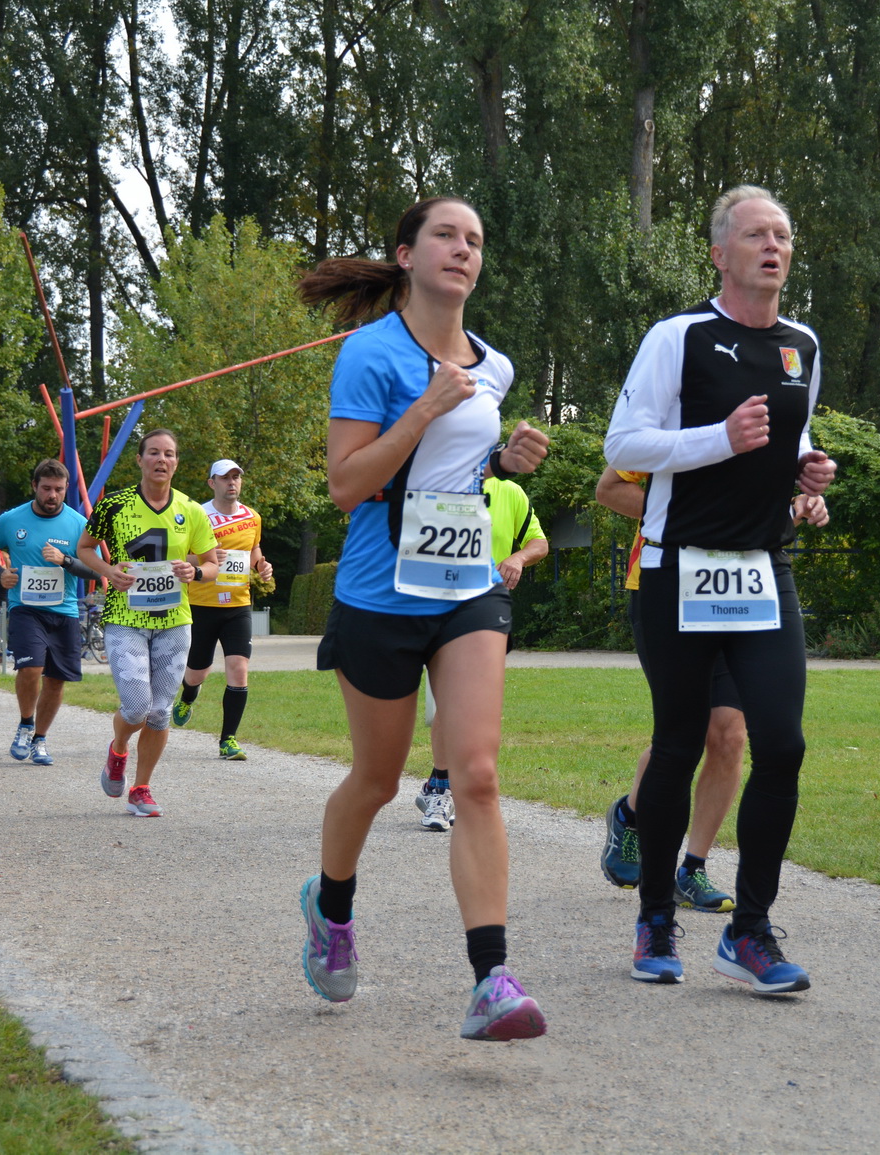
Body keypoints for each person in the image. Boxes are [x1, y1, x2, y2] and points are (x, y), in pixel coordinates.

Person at [296, 195, 551, 1040]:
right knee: (376, 780)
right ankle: (331, 907)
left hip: (468, 586)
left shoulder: (495, 364)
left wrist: (503, 459)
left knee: (475, 773)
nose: (463, 248)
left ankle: (492, 979)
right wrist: (426, 407)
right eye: (446, 234)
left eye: (475, 239)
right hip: (381, 592)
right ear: (407, 254)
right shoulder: (370, 353)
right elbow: (346, 485)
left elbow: (460, 473)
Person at [603, 185, 836, 993]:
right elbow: (624, 444)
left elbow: (790, 437)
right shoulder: (679, 337)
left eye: (784, 234)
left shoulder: (803, 343)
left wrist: (807, 474)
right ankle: (655, 916)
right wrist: (719, 438)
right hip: (677, 566)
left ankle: (750, 929)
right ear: (719, 253)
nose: (774, 246)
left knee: (783, 744)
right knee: (678, 744)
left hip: (763, 567)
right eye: (756, 234)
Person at [596, 467, 829, 913]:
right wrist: (700, 516)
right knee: (683, 734)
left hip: (747, 585)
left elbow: (767, 505)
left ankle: (693, 868)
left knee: (729, 734)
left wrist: (799, 506)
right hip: (669, 581)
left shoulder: (779, 431)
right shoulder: (672, 423)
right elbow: (609, 489)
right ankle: (630, 815)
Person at [77, 429, 219, 818]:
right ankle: (118, 749)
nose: (161, 459)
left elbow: (212, 563)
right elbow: (84, 548)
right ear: (140, 460)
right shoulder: (114, 505)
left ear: (176, 463)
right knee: (138, 706)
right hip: (125, 618)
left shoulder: (191, 509)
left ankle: (141, 788)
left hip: (174, 621)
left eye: (169, 454)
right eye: (153, 453)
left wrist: (195, 571)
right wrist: (109, 571)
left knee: (160, 711)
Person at [412, 473, 549, 831]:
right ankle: (442, 789)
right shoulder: (433, 478)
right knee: (452, 699)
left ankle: (444, 786)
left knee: (475, 706)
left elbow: (539, 543)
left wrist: (518, 557)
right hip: (436, 603)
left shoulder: (510, 491)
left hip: (487, 608)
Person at [0, 458, 94, 767]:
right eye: (46, 488)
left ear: (66, 489)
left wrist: (65, 560)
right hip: (26, 609)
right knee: (30, 669)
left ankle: (40, 739)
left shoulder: (78, 523)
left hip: (65, 611)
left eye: (58, 489)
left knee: (56, 680)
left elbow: (93, 568)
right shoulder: (11, 519)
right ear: (34, 486)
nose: (52, 495)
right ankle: (25, 724)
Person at [171, 459, 274, 761]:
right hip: (201, 605)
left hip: (238, 605)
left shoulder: (252, 517)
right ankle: (187, 697)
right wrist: (204, 559)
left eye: (236, 477)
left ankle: (228, 740)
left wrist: (261, 565)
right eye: (225, 478)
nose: (232, 482)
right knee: (196, 673)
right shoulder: (196, 514)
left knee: (239, 669)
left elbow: (254, 550)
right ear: (211, 483)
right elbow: (178, 555)